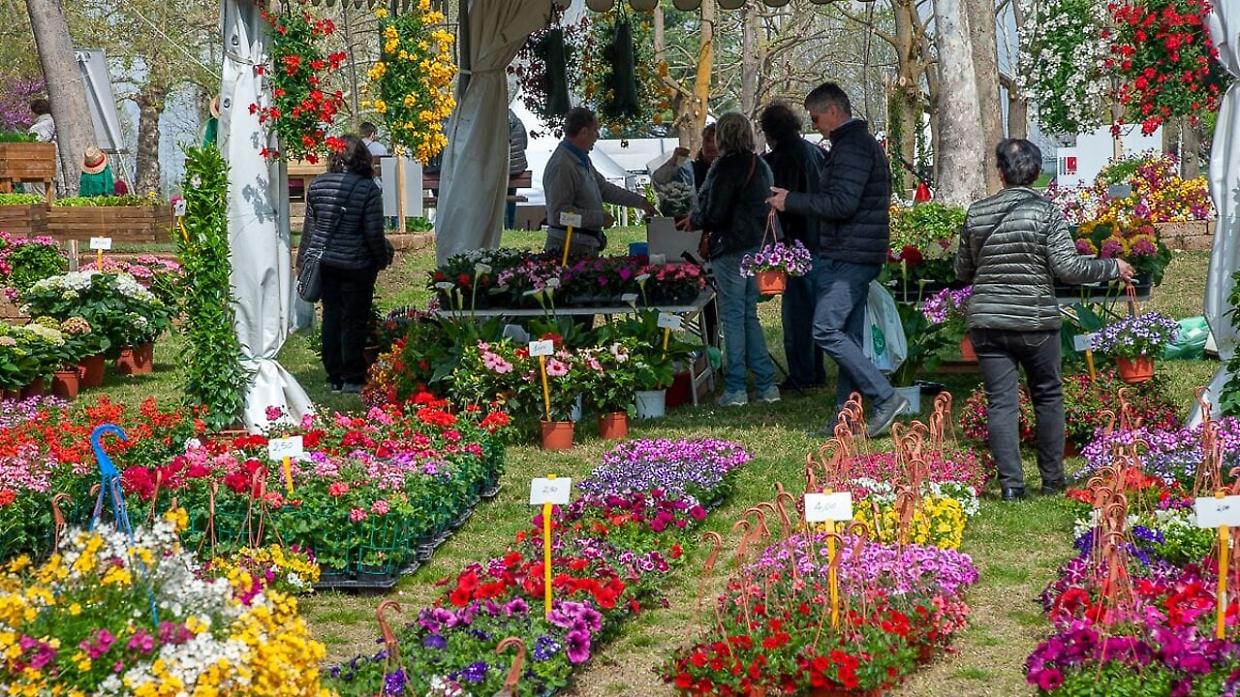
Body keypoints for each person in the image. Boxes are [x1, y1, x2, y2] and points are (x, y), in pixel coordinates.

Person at [955, 139, 1135, 502]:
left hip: (988, 322)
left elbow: (961, 268)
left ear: (1000, 172)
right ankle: (1052, 479)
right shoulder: (1047, 212)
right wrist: (1112, 266)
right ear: (1037, 173)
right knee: (1048, 396)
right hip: (1035, 322)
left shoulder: (977, 213)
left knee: (1000, 402)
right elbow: (1068, 269)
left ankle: (1011, 485)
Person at [767, 81, 906, 437]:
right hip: (854, 252)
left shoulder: (852, 149)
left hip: (848, 256)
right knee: (848, 337)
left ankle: (885, 396)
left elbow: (842, 204)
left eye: (815, 118)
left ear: (832, 112)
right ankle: (848, 418)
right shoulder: (852, 146)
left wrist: (792, 201)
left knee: (825, 330)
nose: (814, 126)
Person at [690, 112, 779, 407]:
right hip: (758, 247)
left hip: (731, 249)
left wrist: (695, 220)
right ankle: (766, 385)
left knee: (732, 316)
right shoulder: (761, 165)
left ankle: (737, 387)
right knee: (748, 314)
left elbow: (716, 213)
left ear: (722, 137)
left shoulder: (725, 167)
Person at [299, 135, 392, 394]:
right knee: (354, 320)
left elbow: (310, 231)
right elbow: (373, 233)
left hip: (326, 263)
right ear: (363, 157)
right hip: (357, 264)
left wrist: (302, 264)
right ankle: (352, 376)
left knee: (331, 316)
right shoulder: (368, 189)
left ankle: (334, 376)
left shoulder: (316, 186)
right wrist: (382, 258)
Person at [759, 101, 827, 391]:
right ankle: (817, 369)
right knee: (817, 313)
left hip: (796, 243)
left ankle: (802, 373)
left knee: (797, 316)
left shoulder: (779, 160)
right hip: (822, 239)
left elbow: (776, 204)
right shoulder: (817, 152)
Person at [543, 107, 656, 258]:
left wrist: (640, 201)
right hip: (567, 250)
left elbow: (604, 189)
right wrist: (599, 218)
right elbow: (560, 216)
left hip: (582, 245)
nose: (597, 136)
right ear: (583, 132)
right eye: (595, 130)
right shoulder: (562, 166)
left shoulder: (580, 159)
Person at [359, 122, 393, 227]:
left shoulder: (354, 147)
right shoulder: (380, 148)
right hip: (376, 186)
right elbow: (386, 171)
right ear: (372, 134)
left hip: (357, 185)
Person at [26, 99, 55, 197]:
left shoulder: (37, 128)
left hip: (40, 166)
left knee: (40, 195)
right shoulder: (55, 122)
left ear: (35, 112)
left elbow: (34, 148)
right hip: (55, 164)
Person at [507, 108, 528, 229]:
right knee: (511, 193)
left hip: (503, 170)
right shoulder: (518, 123)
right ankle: (510, 224)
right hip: (517, 170)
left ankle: (505, 225)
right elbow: (525, 143)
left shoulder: (498, 123)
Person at [692, 123, 718, 193]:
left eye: (715, 141)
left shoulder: (730, 172)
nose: (710, 145)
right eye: (707, 140)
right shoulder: (691, 170)